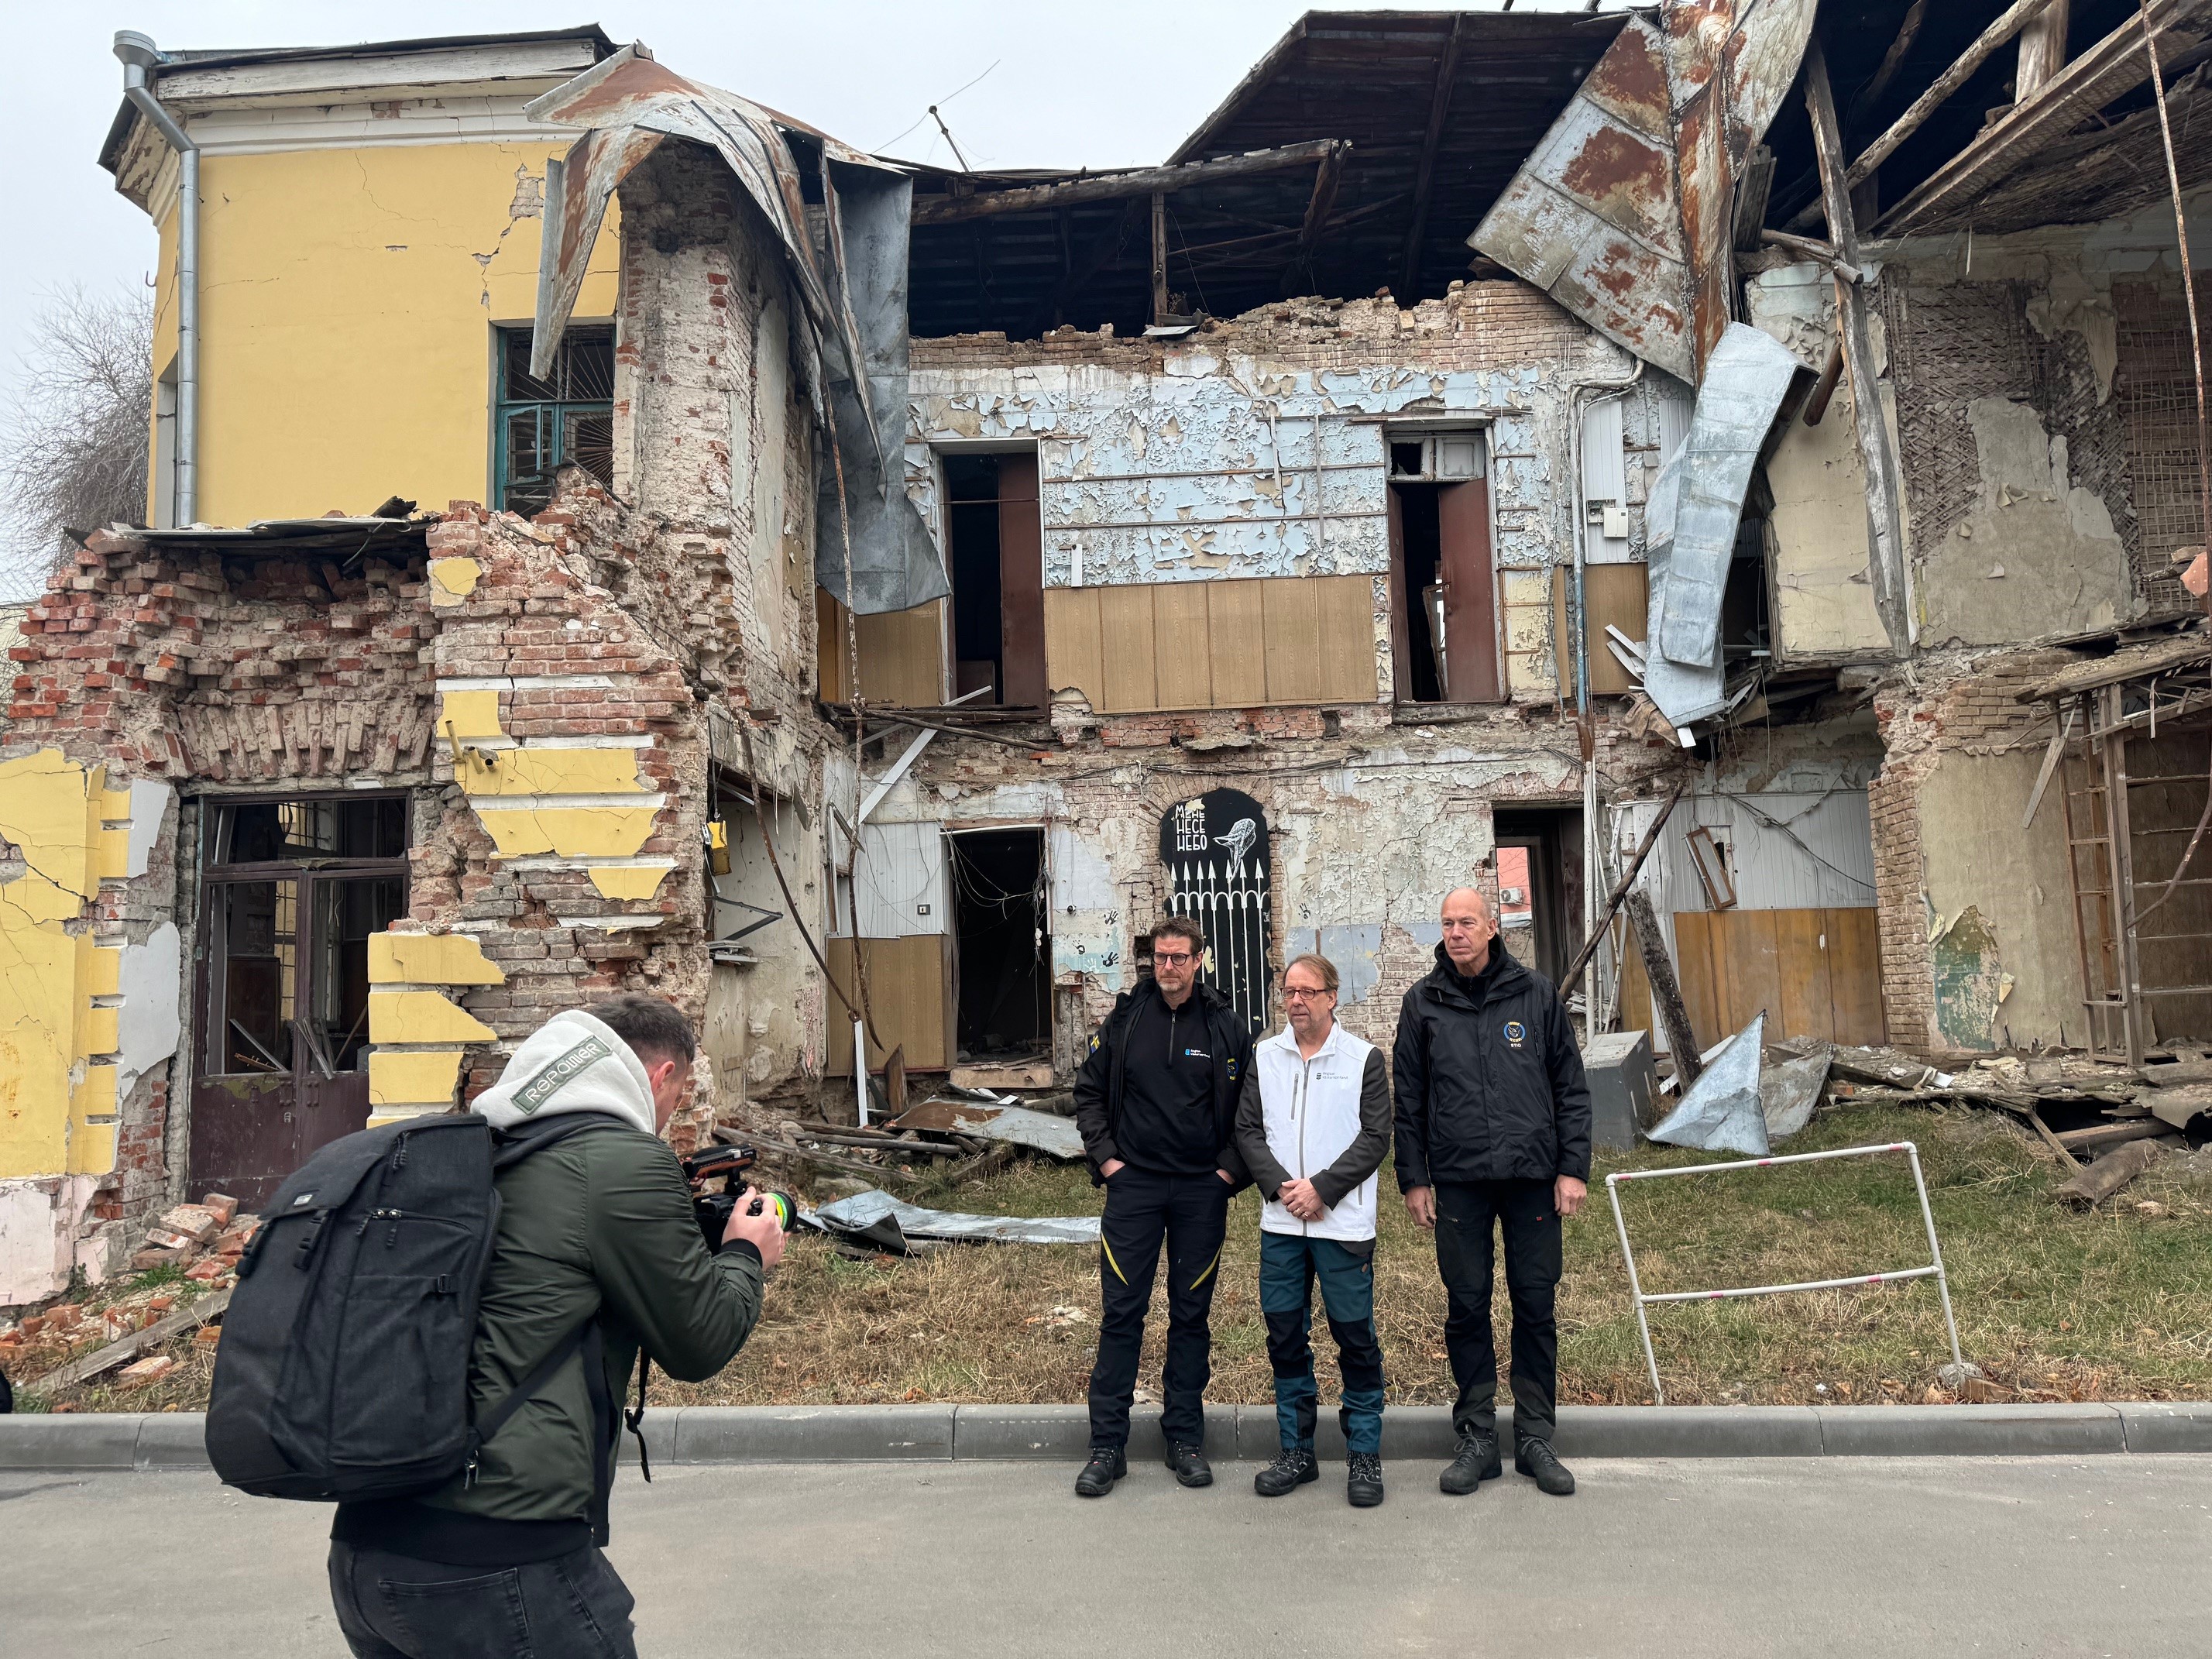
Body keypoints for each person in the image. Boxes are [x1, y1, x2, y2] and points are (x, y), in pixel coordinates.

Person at [327, 994, 787, 1658]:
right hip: (500, 1558)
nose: (670, 1117)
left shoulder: (471, 1149)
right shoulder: (622, 1161)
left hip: (368, 1549)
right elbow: (701, 1341)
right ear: (661, 1078)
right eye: (679, 1099)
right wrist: (745, 1252)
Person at [1394, 887, 1592, 1499]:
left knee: (1535, 1305)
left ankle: (1535, 1436)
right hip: (1458, 1180)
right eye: (1448, 923)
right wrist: (1414, 1178)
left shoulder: (1535, 994)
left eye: (1467, 922)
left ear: (1491, 927)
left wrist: (1573, 1168)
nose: (1456, 932)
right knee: (1467, 1305)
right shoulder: (1422, 1002)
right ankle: (1477, 1437)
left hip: (1532, 1178)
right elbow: (1409, 1102)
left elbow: (1570, 1087)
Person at [1071, 915, 1255, 1497]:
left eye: (1179, 958)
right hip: (1136, 1190)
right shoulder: (1125, 1020)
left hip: (1202, 1189)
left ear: (1199, 960)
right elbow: (1088, 1093)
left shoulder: (1225, 1025)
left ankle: (1185, 1439)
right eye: (1159, 958)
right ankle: (1107, 1446)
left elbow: (1253, 1106)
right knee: (1121, 1314)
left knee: (1190, 1315)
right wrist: (1108, 1162)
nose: (1168, 968)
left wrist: (1229, 1171)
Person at [1235, 952, 1392, 1506]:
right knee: (1284, 1338)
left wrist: (1322, 1188)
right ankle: (1297, 1451)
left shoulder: (1363, 1059)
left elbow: (1375, 1138)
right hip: (1281, 1224)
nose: (1295, 1001)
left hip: (1341, 1224)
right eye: (1288, 992)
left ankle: (1364, 1455)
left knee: (1354, 1339)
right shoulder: (1265, 1056)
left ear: (1332, 997)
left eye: (1307, 991)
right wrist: (1282, 1187)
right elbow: (1247, 1131)